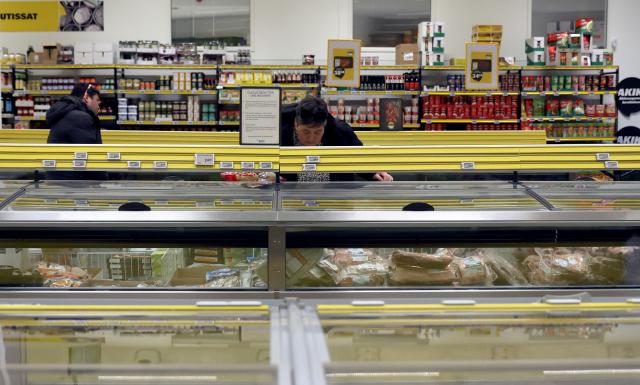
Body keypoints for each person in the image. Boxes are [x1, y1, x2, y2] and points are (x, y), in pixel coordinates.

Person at [281, 96, 393, 182]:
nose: (311, 138)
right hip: (292, 194)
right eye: (306, 132)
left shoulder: (340, 131)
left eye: (317, 132)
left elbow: (358, 156)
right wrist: (268, 174)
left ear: (325, 124)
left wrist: (373, 172)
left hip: (333, 195)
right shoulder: (280, 130)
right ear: (296, 124)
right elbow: (267, 160)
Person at [45, 83, 106, 180]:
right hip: (72, 181)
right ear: (86, 98)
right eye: (97, 100)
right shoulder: (79, 117)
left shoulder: (67, 113)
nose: (99, 104)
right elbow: (90, 154)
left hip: (60, 176)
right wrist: (102, 179)